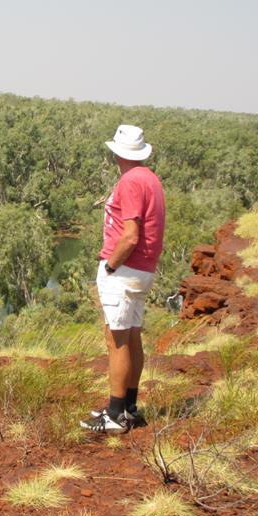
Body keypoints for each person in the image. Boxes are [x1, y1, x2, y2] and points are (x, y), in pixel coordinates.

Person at [80, 124, 166, 434]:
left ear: (118, 153)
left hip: (125, 270)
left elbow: (130, 236)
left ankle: (115, 416)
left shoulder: (130, 181)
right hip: (143, 270)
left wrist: (110, 266)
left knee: (116, 340)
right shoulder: (151, 179)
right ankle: (129, 408)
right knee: (131, 338)